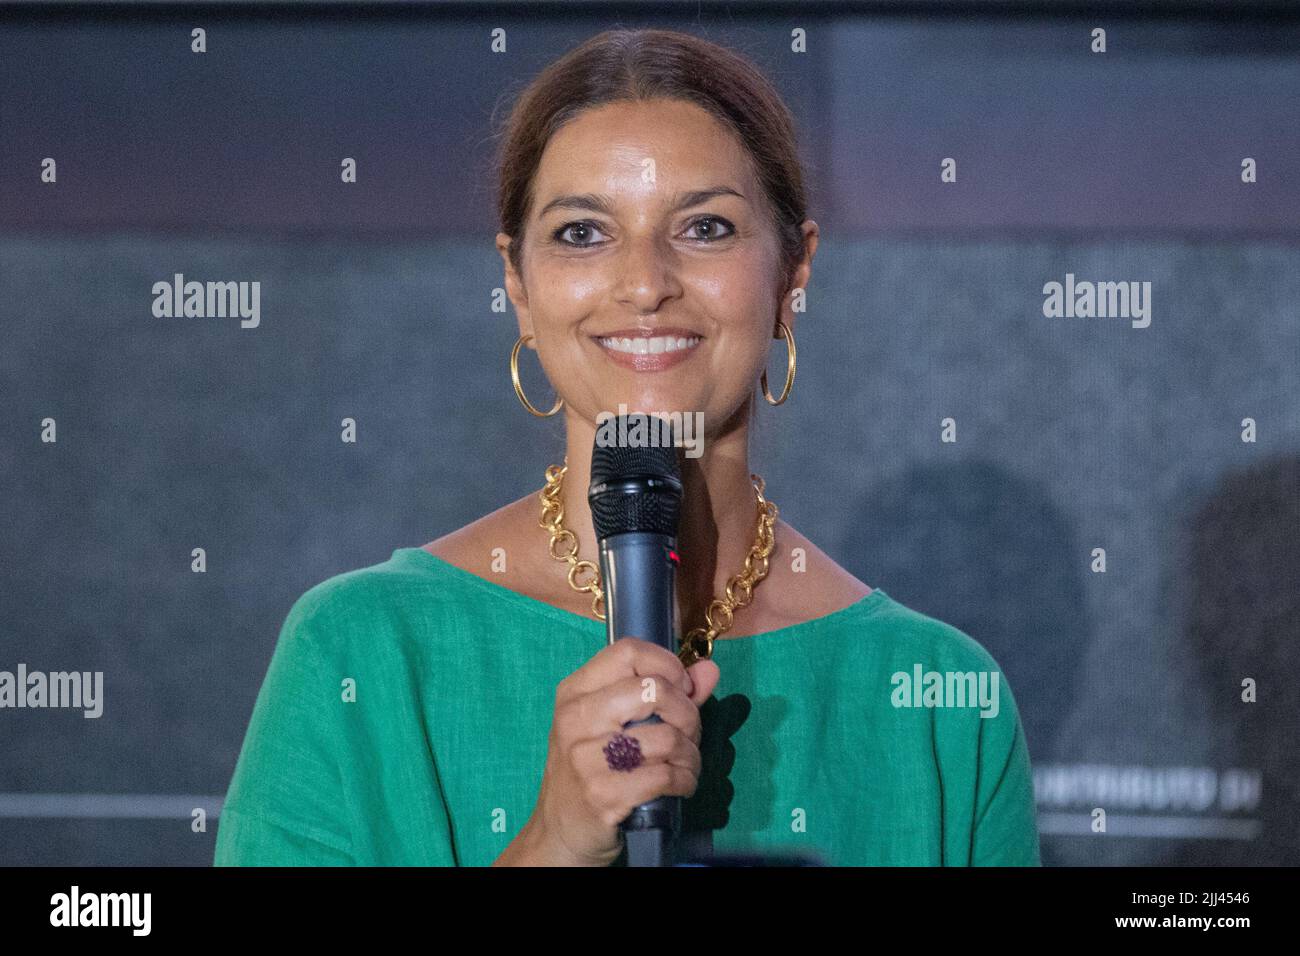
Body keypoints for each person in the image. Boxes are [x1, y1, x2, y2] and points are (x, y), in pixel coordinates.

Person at [214, 27, 1040, 867]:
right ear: (520, 288)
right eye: (582, 233)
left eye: (706, 227)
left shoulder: (940, 700)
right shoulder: (361, 650)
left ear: (794, 271)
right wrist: (551, 846)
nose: (644, 283)